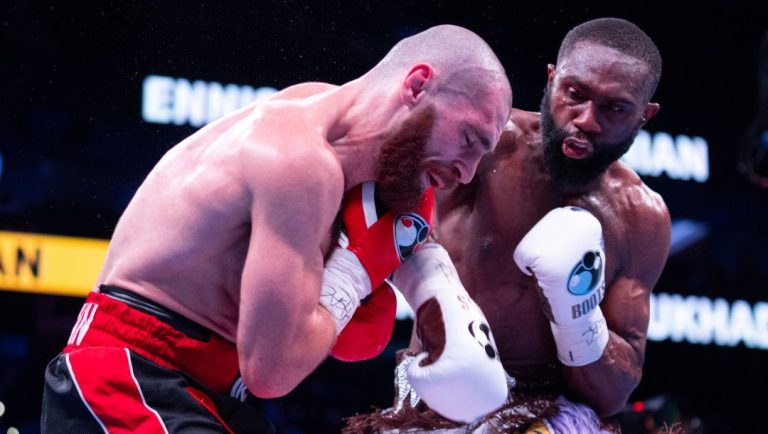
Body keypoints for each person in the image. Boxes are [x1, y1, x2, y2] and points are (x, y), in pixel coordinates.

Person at [40, 24, 512, 433]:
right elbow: (271, 371)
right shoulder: (301, 162)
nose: (467, 171)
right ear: (417, 84)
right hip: (127, 377)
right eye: (469, 139)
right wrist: (354, 273)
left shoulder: (328, 124)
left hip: (201, 389)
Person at [344, 17, 671, 434]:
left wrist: (578, 315)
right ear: (552, 80)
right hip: (436, 397)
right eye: (575, 94)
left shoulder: (640, 216)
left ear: (644, 115)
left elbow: (613, 394)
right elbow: (368, 186)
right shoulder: (485, 145)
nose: (588, 120)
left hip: (548, 413)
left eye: (615, 108)